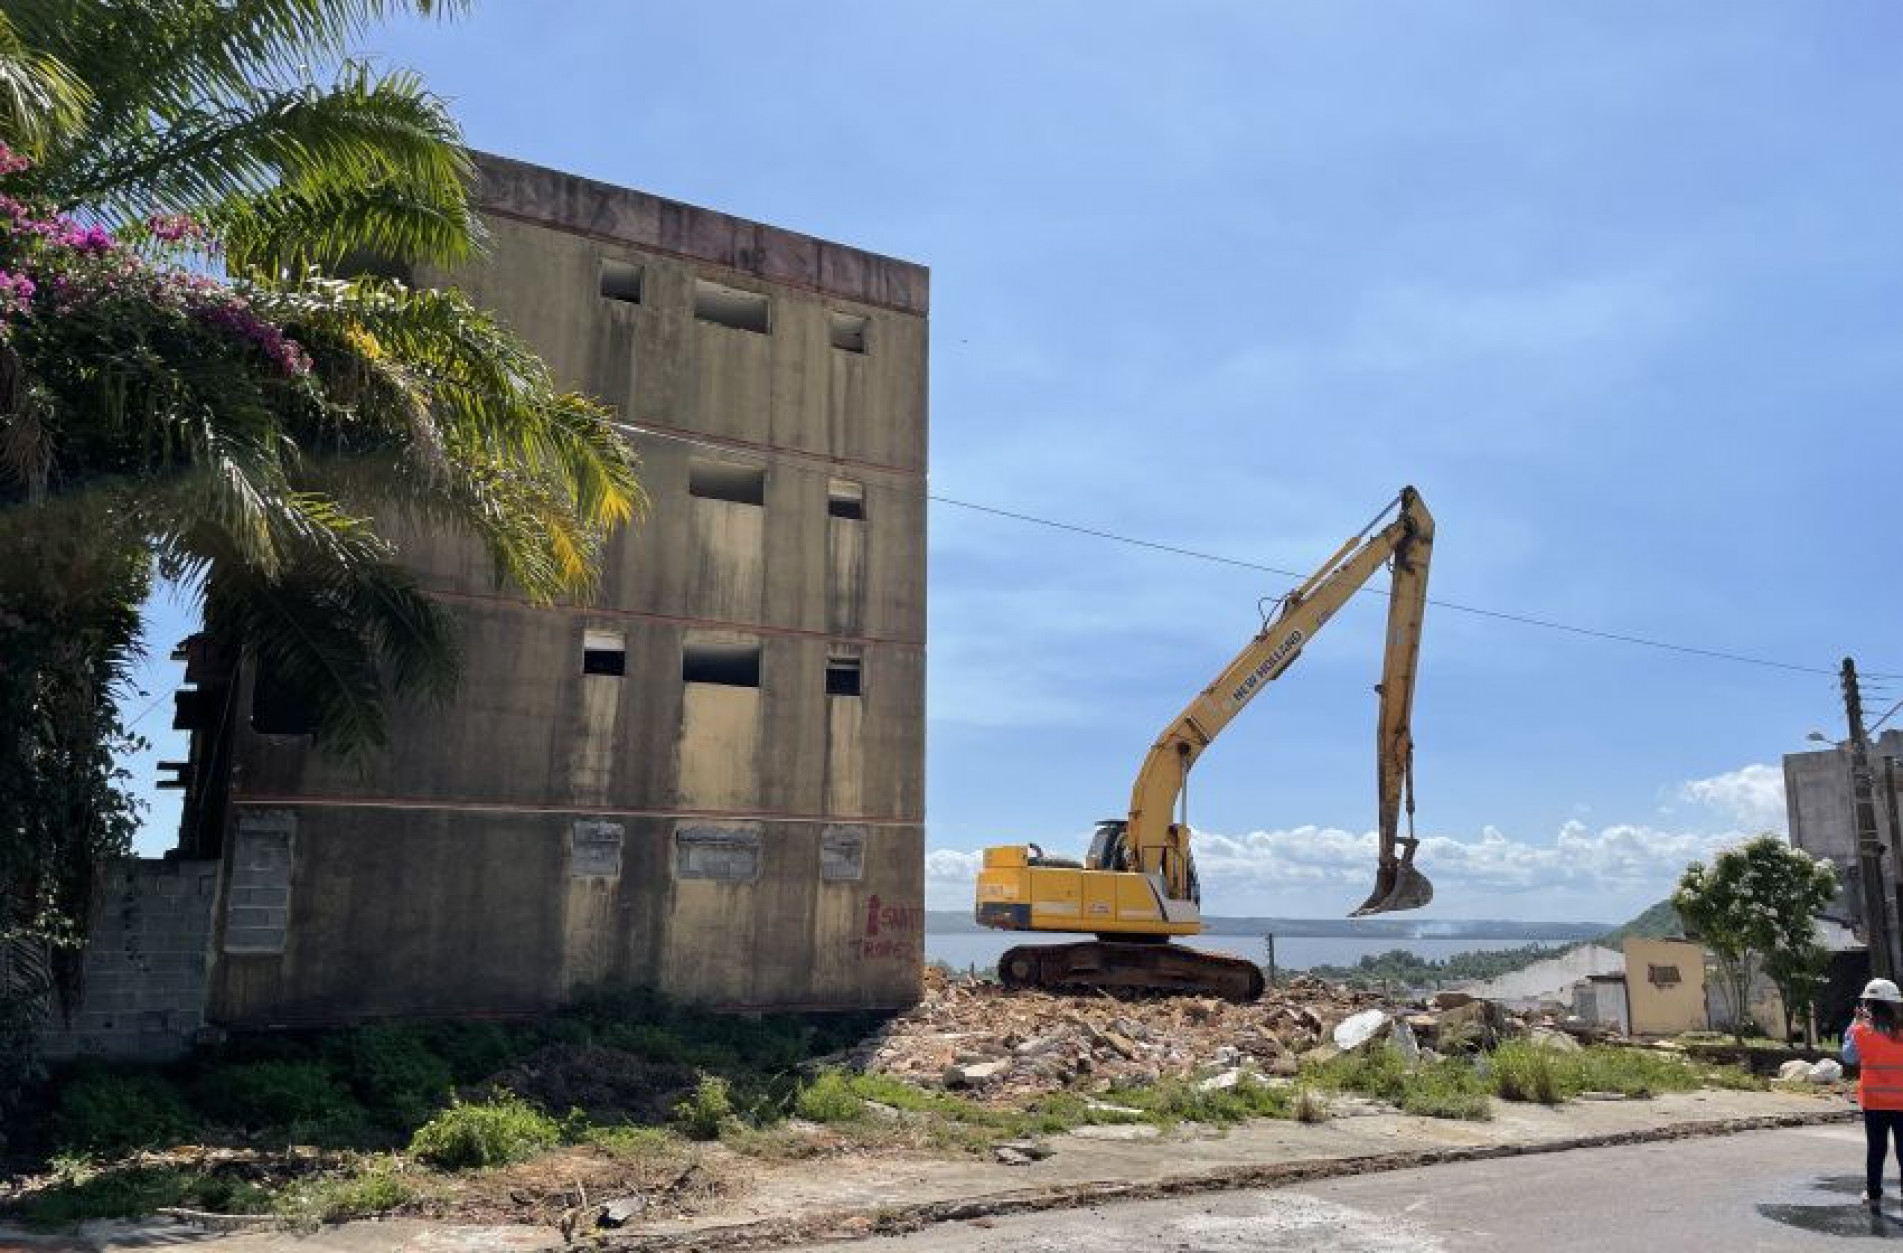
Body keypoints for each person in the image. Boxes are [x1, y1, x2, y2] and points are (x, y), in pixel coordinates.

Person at [1844, 977, 1903, 1210]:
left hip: (1875, 1103)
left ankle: (1874, 1192)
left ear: (1869, 1004)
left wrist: (1853, 1023)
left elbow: (1848, 1056)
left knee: (1876, 1149)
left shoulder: (1861, 1031)